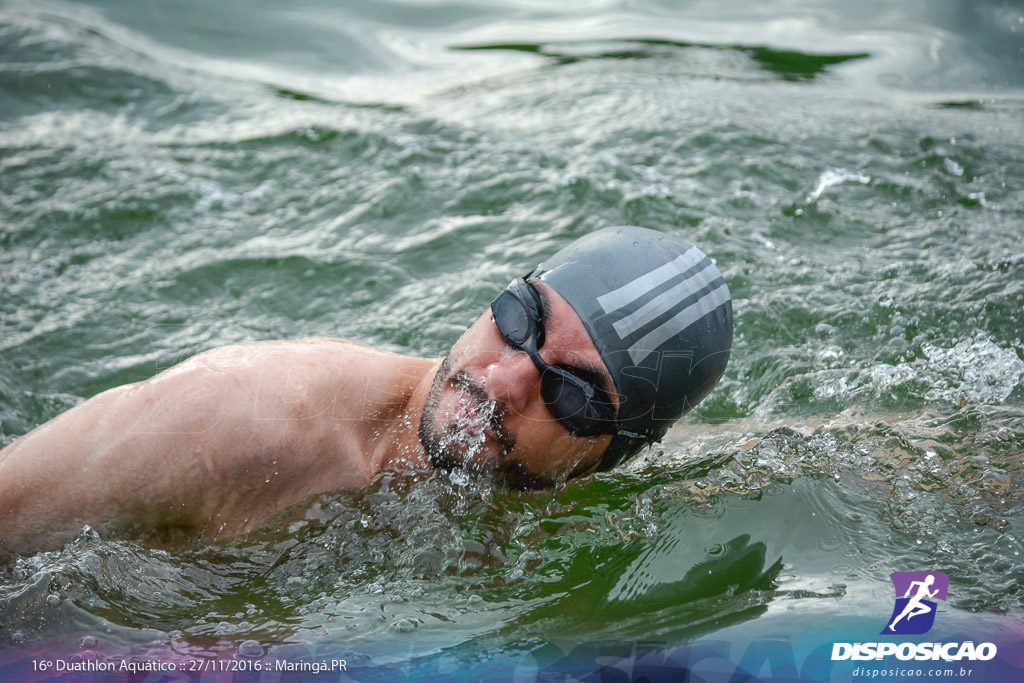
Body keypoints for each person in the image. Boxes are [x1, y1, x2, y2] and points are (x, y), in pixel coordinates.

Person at [0, 226, 732, 554]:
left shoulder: (588, 486)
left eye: (572, 392)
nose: (504, 378)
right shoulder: (234, 419)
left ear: (614, 454)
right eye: (521, 317)